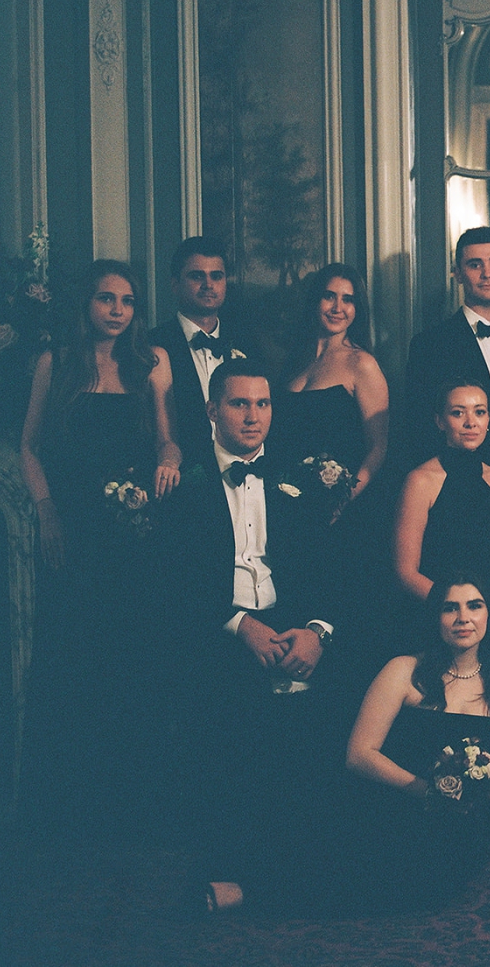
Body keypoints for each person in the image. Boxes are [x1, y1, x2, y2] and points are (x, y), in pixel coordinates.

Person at [160, 359, 341, 914]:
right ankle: (239, 868)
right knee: (237, 721)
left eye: (263, 403)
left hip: (294, 624)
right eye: (239, 404)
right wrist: (242, 626)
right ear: (212, 411)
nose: (254, 415)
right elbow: (175, 584)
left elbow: (332, 571)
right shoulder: (185, 486)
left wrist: (315, 632)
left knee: (344, 712)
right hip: (218, 629)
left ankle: (310, 861)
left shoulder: (301, 479)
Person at [19, 260, 181, 825]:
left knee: (133, 662)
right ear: (86, 304)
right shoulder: (55, 362)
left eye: (128, 301)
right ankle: (70, 808)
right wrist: (47, 513)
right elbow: (29, 447)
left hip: (136, 538)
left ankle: (134, 806)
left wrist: (167, 459)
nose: (117, 310)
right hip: (76, 535)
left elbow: (169, 442)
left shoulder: (149, 363)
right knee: (75, 660)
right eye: (106, 299)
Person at [343, 571, 490, 911]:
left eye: (475, 606)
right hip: (391, 806)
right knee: (361, 872)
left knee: (437, 886)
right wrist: (427, 790)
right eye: (450, 608)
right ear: (436, 617)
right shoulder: (403, 669)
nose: (463, 618)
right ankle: (239, 895)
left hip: (460, 825)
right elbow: (358, 755)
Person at [396, 227, 490, 494]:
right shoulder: (431, 344)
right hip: (465, 472)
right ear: (458, 274)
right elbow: (419, 424)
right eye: (475, 265)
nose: (487, 273)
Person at [394, 381, 490, 650]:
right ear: (439, 421)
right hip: (439, 620)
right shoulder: (420, 481)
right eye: (458, 413)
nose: (471, 422)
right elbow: (405, 574)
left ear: (489, 419)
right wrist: (475, 615)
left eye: (479, 412)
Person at [277, 263, 389, 504]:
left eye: (348, 299)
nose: (338, 308)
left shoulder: (362, 364)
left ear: (357, 309)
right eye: (330, 296)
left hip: (338, 508)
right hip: (288, 501)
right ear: (315, 301)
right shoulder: (295, 361)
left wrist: (344, 499)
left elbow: (378, 447)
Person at [149, 236, 241, 476]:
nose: (208, 284)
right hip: (179, 482)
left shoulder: (247, 344)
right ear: (175, 284)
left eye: (216, 276)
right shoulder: (152, 345)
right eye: (197, 276)